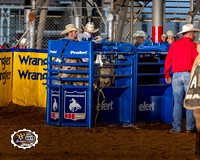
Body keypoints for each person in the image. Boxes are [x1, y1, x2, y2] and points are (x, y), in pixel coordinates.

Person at [164, 24, 200, 134]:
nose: (194, 35)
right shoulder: (193, 45)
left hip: (176, 75)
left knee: (178, 102)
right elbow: (196, 61)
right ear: (190, 34)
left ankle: (177, 128)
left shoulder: (174, 45)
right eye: (193, 33)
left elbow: (168, 60)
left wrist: (167, 74)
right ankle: (189, 127)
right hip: (189, 75)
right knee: (189, 102)